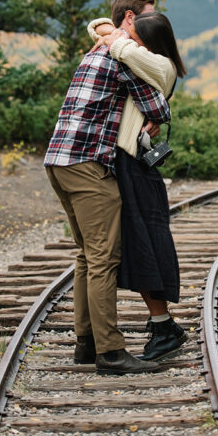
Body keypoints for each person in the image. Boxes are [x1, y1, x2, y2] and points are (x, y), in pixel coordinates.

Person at [44, 34, 171, 376]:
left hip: (58, 161)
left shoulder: (93, 55)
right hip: (88, 165)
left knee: (87, 254)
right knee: (104, 258)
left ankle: (86, 344)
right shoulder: (122, 61)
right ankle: (111, 352)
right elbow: (158, 107)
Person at [89, 8, 188, 360]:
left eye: (136, 38)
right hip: (126, 161)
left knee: (144, 243)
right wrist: (112, 32)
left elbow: (119, 48)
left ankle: (164, 326)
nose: (129, 41)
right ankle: (162, 325)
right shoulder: (142, 58)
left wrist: (118, 38)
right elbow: (101, 33)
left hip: (134, 164)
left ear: (150, 44)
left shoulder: (160, 66)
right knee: (136, 244)